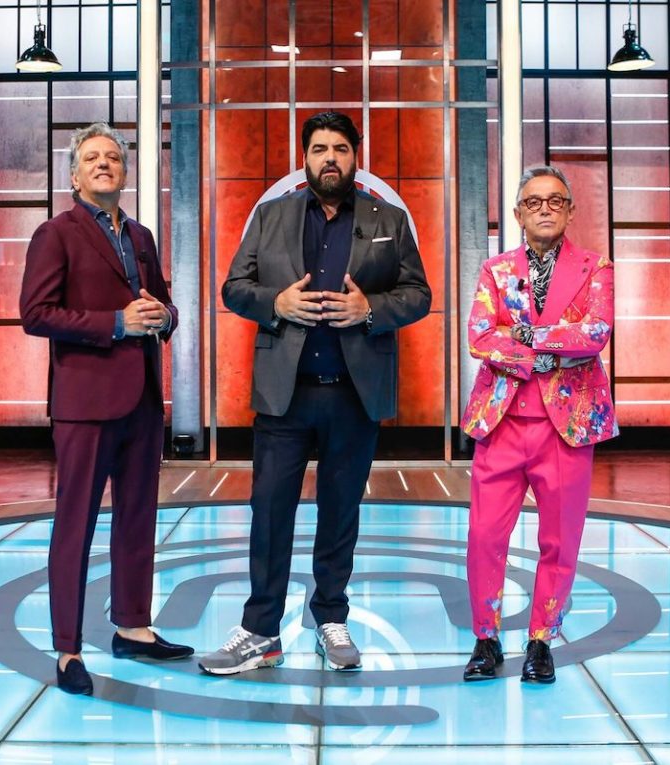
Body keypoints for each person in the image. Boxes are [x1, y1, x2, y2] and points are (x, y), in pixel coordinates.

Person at [201, 111, 431, 675]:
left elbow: (418, 294)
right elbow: (234, 287)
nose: (331, 158)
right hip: (285, 393)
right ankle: (261, 630)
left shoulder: (388, 219)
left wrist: (370, 308)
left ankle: (331, 618)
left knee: (340, 512)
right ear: (304, 158)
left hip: (354, 394)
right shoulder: (271, 216)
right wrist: (275, 303)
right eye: (320, 149)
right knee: (269, 512)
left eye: (341, 149)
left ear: (356, 157)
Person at [20, 122, 193, 696]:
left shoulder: (140, 236)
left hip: (141, 399)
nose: (104, 164)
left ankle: (133, 627)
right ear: (75, 176)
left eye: (113, 157)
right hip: (85, 403)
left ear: (124, 172)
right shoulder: (55, 234)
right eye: (92, 157)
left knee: (138, 517)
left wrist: (164, 317)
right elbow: (36, 314)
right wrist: (116, 324)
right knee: (76, 524)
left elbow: (163, 303)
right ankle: (68, 649)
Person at [460, 165, 618, 684]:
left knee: (560, 540)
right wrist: (551, 348)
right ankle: (486, 638)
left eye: (555, 200)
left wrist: (525, 336)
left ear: (570, 210)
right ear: (518, 214)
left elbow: (595, 333)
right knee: (484, 536)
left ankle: (541, 641)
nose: (544, 208)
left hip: (566, 426)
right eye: (533, 202)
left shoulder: (596, 267)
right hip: (501, 421)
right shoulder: (496, 270)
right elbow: (481, 336)